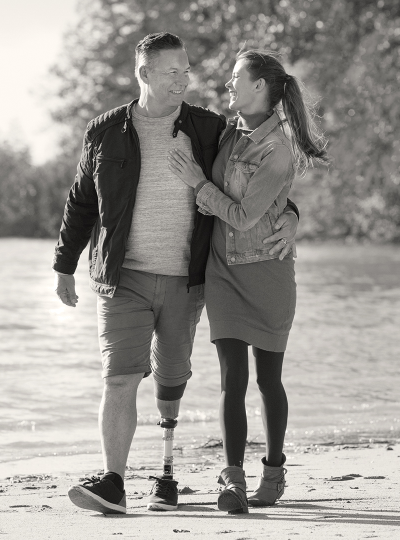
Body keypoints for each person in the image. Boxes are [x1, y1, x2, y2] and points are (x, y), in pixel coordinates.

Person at [52, 33, 300, 515]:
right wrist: (64, 264)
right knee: (119, 377)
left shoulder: (209, 128)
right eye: (173, 72)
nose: (184, 80)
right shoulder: (104, 130)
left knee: (171, 380)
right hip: (122, 277)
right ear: (144, 75)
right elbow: (82, 201)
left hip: (189, 278)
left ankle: (165, 473)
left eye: (187, 71)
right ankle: (114, 482)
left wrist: (291, 215)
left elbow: (252, 185)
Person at [168, 49, 329, 514]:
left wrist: (199, 184)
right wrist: (293, 214)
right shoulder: (229, 130)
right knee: (231, 379)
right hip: (223, 271)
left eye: (237, 77)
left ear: (259, 86)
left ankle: (274, 470)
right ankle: (232, 480)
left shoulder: (277, 149)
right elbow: (273, 205)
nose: (229, 83)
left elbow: (242, 215)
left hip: (267, 271)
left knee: (267, 380)